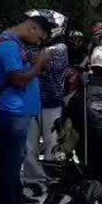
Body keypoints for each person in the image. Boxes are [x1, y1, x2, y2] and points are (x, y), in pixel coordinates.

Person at [0, 11, 56, 204]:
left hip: (21, 110)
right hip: (13, 109)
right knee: (11, 157)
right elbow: (19, 80)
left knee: (17, 156)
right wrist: (39, 63)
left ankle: (16, 195)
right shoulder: (8, 45)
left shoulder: (17, 44)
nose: (38, 42)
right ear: (32, 28)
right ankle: (7, 201)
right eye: (38, 37)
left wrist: (36, 60)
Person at [61, 45, 102, 181]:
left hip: (99, 152)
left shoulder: (99, 88)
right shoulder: (96, 93)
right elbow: (100, 128)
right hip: (99, 156)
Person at [36, 13, 70, 159]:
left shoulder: (59, 48)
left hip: (51, 100)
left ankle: (51, 172)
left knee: (52, 142)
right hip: (37, 100)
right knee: (31, 143)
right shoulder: (43, 47)